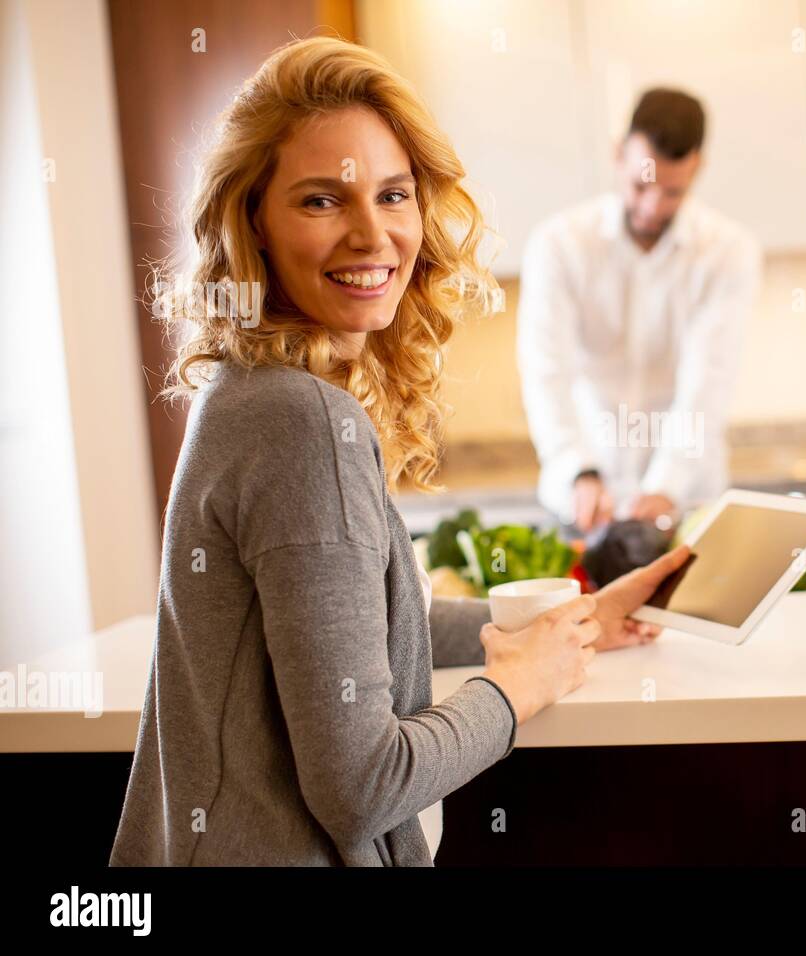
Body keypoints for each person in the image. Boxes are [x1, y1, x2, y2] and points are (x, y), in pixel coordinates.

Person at [108, 37, 690, 867]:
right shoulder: (302, 422)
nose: (372, 234)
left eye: (393, 194)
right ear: (255, 225)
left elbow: (353, 633)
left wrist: (570, 623)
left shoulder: (247, 393)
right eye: (320, 201)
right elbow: (362, 787)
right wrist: (519, 686)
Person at [516, 87, 763, 534]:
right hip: (586, 500)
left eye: (673, 191)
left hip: (686, 500)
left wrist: (666, 485)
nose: (652, 207)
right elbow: (547, 371)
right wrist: (578, 470)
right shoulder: (560, 245)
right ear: (618, 154)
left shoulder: (729, 252)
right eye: (640, 185)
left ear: (697, 169)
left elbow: (709, 379)